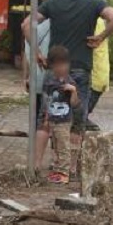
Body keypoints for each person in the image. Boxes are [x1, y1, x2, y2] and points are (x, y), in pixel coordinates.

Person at [22, 0, 113, 162]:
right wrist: (101, 37)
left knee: (46, 119)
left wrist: (37, 53)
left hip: (53, 69)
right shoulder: (95, 4)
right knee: (77, 121)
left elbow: (26, 25)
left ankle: (35, 166)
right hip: (80, 70)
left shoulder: (53, 3)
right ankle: (70, 166)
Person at [22, 0, 63, 171]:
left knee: (38, 121)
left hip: (35, 79)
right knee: (56, 119)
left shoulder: (31, 27)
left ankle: (34, 159)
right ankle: (56, 159)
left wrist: (26, 77)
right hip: (51, 78)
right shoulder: (57, 25)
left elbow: (26, 54)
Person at [39, 46, 80, 184]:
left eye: (63, 65)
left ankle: (64, 172)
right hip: (52, 119)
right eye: (57, 65)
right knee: (56, 146)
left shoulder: (70, 82)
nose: (60, 68)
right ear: (51, 66)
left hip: (64, 120)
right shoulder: (49, 82)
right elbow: (46, 101)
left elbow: (75, 104)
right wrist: (46, 119)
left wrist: (73, 91)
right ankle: (57, 169)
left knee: (63, 146)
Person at [86, 16, 109, 131]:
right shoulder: (93, 20)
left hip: (99, 63)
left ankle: (83, 116)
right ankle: (82, 117)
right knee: (95, 88)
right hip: (95, 64)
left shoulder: (98, 21)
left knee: (99, 86)